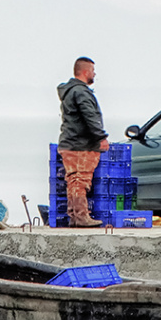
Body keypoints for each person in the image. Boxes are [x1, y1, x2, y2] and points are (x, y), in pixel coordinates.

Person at [57, 56, 110, 228]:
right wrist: (101, 137)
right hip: (81, 145)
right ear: (86, 72)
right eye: (93, 70)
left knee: (73, 180)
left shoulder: (69, 91)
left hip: (68, 143)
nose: (95, 74)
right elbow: (90, 116)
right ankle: (81, 217)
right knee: (81, 181)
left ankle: (74, 215)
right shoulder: (81, 92)